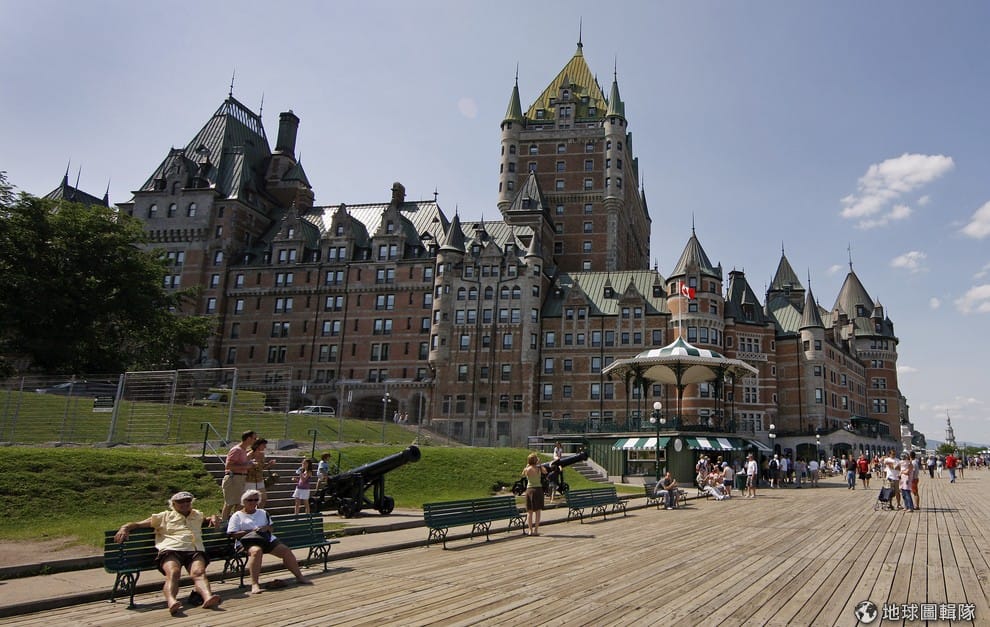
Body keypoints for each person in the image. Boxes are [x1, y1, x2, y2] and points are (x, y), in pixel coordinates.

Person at [114, 491, 222, 615]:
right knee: (173, 572)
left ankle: (208, 597)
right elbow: (138, 524)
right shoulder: (164, 516)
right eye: (180, 502)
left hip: (194, 550)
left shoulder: (197, 515)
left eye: (188, 501)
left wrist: (213, 517)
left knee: (199, 572)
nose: (185, 503)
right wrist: (125, 527)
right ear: (173, 504)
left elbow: (206, 519)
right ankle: (172, 601)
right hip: (171, 550)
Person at [226, 489, 313, 594]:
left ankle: (299, 576)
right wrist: (251, 531)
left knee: (285, 550)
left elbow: (271, 528)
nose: (253, 502)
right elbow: (232, 534)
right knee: (256, 551)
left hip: (265, 539)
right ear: (243, 501)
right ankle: (255, 584)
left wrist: (266, 528)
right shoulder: (237, 516)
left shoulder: (263, 513)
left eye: (256, 500)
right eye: (250, 500)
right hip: (247, 542)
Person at [221, 430, 257, 520]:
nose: (255, 440)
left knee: (240, 503)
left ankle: (235, 523)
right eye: (254, 438)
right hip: (234, 478)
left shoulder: (243, 450)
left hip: (241, 478)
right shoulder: (237, 450)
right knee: (230, 503)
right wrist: (246, 466)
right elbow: (229, 466)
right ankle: (224, 523)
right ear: (248, 438)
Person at [521, 452, 548, 535]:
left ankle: (530, 530)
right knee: (537, 511)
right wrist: (540, 464)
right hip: (538, 490)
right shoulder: (539, 468)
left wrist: (527, 466)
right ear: (536, 460)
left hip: (529, 490)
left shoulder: (528, 469)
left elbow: (523, 474)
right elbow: (545, 472)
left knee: (529, 512)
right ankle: (536, 530)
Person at [245, 438, 276, 508]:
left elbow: (261, 468)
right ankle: (249, 511)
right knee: (250, 499)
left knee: (263, 498)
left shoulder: (262, 454)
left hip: (259, 479)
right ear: (257, 445)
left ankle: (259, 511)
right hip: (250, 480)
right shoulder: (249, 455)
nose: (265, 447)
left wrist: (269, 464)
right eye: (263, 445)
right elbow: (244, 467)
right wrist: (251, 465)